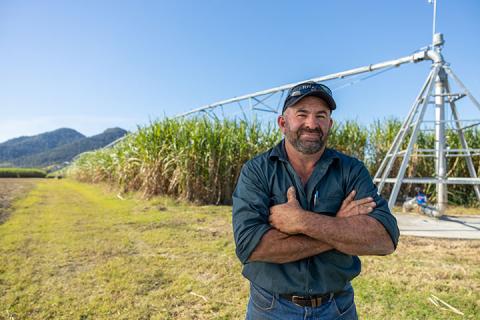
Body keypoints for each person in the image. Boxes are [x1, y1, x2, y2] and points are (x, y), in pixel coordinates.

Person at [232, 81, 400, 319]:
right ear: (283, 123)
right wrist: (339, 227)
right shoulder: (258, 170)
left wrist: (302, 221)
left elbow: (384, 239)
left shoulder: (350, 170)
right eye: (302, 114)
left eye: (321, 115)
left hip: (337, 307)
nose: (312, 124)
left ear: (329, 124)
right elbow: (252, 247)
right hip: (271, 307)